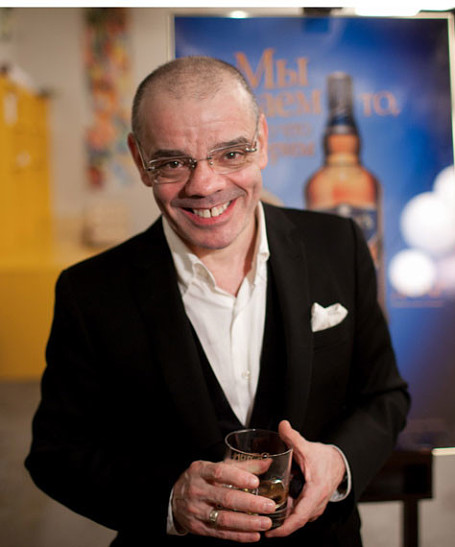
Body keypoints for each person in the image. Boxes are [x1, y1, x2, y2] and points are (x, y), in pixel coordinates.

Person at [25, 56, 410, 547]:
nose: (205, 185)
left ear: (262, 140)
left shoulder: (340, 245)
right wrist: (170, 500)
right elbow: (56, 454)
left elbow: (385, 395)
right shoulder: (89, 292)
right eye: (172, 163)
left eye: (231, 153)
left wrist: (338, 461)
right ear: (140, 160)